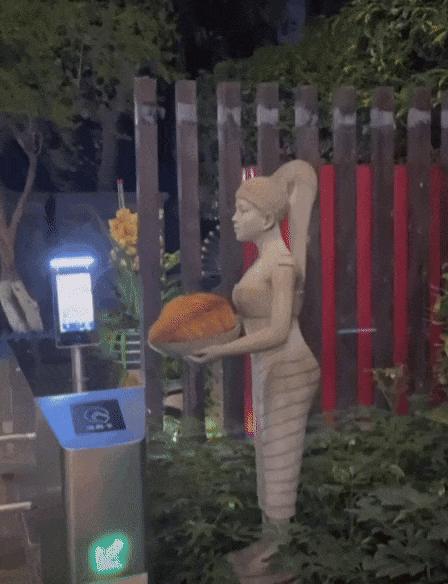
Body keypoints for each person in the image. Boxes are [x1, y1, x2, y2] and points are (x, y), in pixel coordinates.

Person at [187, 160, 320, 579]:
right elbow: (251, 322)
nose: (234, 218)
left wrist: (221, 352)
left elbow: (278, 331)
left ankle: (280, 547)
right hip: (269, 368)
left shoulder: (280, 265)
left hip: (289, 368)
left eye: (242, 210)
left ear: (266, 219)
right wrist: (212, 336)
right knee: (265, 455)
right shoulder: (263, 261)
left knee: (280, 459)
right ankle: (268, 540)